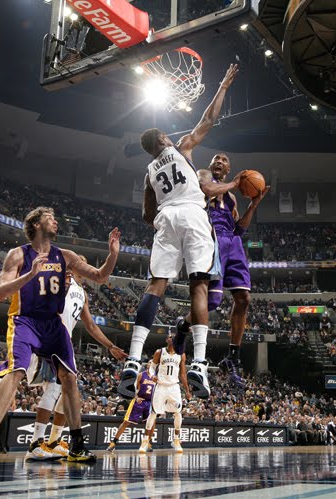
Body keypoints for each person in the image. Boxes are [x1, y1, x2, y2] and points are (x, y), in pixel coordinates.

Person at [118, 64, 239, 400]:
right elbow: (208, 119)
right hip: (194, 215)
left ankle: (133, 359)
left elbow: (147, 214)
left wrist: (162, 223)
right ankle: (199, 362)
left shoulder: (148, 173)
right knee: (199, 285)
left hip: (166, 218)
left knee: (156, 286)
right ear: (163, 140)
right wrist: (223, 87)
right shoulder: (182, 148)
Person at [0, 206, 121, 467]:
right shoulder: (18, 254)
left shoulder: (65, 255)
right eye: (50, 218)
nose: (55, 222)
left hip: (52, 323)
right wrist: (30, 274)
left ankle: (76, 444)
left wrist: (113, 255)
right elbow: (0, 293)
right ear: (36, 224)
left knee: (69, 378)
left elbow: (99, 276)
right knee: (16, 371)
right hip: (25, 320)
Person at [175, 153, 269, 386]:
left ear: (229, 169)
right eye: (216, 158)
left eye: (224, 160)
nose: (219, 161)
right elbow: (206, 190)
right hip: (211, 237)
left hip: (232, 242)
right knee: (213, 302)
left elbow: (240, 229)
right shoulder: (204, 175)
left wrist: (253, 204)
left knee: (244, 298)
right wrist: (235, 183)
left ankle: (233, 356)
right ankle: (183, 325)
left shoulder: (232, 198)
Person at [26, 259, 127, 461]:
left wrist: (110, 346)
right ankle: (35, 444)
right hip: (49, 337)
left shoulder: (82, 293)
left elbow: (91, 326)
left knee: (68, 396)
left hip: (65, 344)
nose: (84, 267)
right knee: (53, 390)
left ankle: (54, 441)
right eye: (80, 263)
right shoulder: (61, 280)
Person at [139, 335, 191, 454]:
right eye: (169, 337)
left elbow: (183, 374)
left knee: (178, 413)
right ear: (166, 340)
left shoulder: (181, 354)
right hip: (161, 386)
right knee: (153, 413)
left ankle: (176, 440)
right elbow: (152, 367)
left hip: (174, 386)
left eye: (173, 337)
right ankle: (145, 441)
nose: (171, 339)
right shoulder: (159, 352)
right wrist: (152, 376)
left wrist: (187, 390)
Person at [106, 364, 156, 453]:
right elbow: (133, 388)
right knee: (126, 422)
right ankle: (113, 442)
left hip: (149, 402)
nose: (152, 364)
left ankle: (147, 442)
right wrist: (136, 397)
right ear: (147, 366)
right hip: (139, 401)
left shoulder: (156, 377)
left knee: (152, 423)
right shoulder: (141, 375)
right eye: (150, 362)